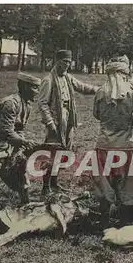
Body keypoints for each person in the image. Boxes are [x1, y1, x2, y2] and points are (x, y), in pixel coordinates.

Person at [0, 73, 40, 232]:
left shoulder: (27, 104)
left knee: (20, 174)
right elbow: (6, 132)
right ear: (23, 86)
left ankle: (27, 205)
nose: (37, 91)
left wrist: (21, 148)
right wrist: (24, 142)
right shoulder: (11, 104)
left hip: (8, 145)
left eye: (38, 88)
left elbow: (19, 129)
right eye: (34, 87)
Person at [93, 55, 133, 230]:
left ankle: (104, 220)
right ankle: (124, 221)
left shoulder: (101, 92)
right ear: (125, 75)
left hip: (104, 145)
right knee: (127, 182)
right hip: (125, 145)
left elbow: (96, 114)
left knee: (104, 182)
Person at [37, 50, 99, 196]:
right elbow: (42, 103)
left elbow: (83, 87)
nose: (67, 64)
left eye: (69, 62)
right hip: (56, 120)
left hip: (68, 119)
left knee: (64, 152)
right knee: (52, 153)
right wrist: (50, 123)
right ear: (57, 61)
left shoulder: (68, 78)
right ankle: (45, 186)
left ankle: (54, 183)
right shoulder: (49, 80)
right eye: (64, 61)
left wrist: (100, 90)